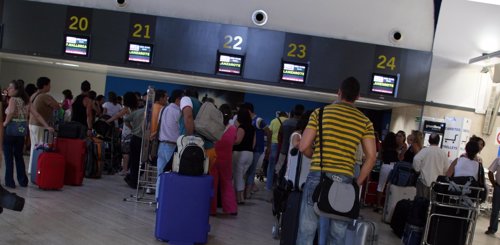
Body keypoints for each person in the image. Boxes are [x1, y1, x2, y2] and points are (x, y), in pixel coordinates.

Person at [297, 77, 376, 245]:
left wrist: (315, 155)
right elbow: (371, 157)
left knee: (307, 230)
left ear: (339, 93)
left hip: (318, 176)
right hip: (345, 181)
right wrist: (358, 182)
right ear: (358, 97)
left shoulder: (319, 113)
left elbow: (303, 146)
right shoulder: (365, 121)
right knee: (338, 235)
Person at [3, 80, 53, 188]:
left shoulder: (13, 99)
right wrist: (46, 126)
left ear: (16, 90)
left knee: (8, 156)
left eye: (10, 88)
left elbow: (11, 112)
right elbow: (37, 115)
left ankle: (10, 181)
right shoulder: (26, 101)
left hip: (11, 129)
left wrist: (5, 123)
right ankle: (23, 181)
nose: (8, 89)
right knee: (19, 156)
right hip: (21, 130)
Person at [28, 77, 60, 175]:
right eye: (49, 84)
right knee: (40, 147)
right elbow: (57, 106)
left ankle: (31, 169)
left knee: (34, 146)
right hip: (40, 125)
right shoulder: (44, 96)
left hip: (32, 123)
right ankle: (37, 168)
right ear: (45, 85)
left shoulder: (34, 95)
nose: (50, 87)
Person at [179, 88, 217, 172]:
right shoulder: (201, 105)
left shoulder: (186, 99)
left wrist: (189, 139)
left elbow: (188, 117)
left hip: (195, 150)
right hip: (208, 149)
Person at [155, 89, 183, 199]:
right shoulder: (178, 112)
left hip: (161, 145)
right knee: (171, 175)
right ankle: (167, 200)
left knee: (160, 174)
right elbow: (181, 129)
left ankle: (158, 199)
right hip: (171, 146)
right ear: (178, 99)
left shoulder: (164, 109)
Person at [211, 104, 238, 215]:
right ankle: (231, 209)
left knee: (212, 184)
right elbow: (235, 141)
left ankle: (211, 209)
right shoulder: (233, 129)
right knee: (227, 183)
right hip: (226, 160)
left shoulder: (213, 127)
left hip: (213, 158)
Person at [244, 102, 272, 198]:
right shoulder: (248, 120)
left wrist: (268, 146)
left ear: (248, 110)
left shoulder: (258, 120)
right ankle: (251, 187)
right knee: (248, 170)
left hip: (257, 149)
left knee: (251, 170)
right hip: (250, 148)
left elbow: (269, 132)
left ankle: (248, 192)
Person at [412, 133, 448, 199]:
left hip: (423, 181)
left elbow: (416, 159)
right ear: (438, 141)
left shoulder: (425, 150)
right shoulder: (443, 153)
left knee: (421, 203)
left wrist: (417, 170)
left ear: (429, 140)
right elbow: (446, 169)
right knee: (432, 204)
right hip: (436, 184)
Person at [232, 107, 255, 204]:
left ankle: (239, 198)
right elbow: (254, 143)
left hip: (240, 153)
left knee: (238, 175)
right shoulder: (252, 128)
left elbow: (238, 141)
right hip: (250, 154)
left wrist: (229, 141)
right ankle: (241, 197)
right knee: (242, 176)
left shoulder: (242, 127)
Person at [122, 92, 145, 189]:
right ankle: (132, 179)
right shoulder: (145, 112)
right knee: (142, 161)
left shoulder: (135, 112)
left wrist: (131, 128)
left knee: (134, 161)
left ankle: (132, 179)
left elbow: (126, 119)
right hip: (142, 139)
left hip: (134, 137)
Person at [275, 104, 304, 175]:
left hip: (283, 149)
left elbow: (279, 136)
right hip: (294, 152)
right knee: (291, 169)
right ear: (303, 112)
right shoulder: (302, 124)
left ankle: (276, 182)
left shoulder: (285, 122)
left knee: (279, 168)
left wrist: (281, 145)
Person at [373, 132, 398, 213]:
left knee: (381, 186)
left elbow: (379, 157)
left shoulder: (383, 145)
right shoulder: (396, 146)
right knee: (390, 187)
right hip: (393, 166)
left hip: (385, 165)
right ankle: (387, 205)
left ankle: (378, 204)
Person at [265, 111, 288, 192]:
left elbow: (269, 132)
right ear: (286, 115)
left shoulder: (274, 121)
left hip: (274, 144)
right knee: (281, 167)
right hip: (283, 146)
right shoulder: (287, 121)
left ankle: (268, 186)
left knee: (271, 166)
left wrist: (268, 146)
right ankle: (278, 186)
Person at [485, 157, 500, 235]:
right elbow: (490, 172)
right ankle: (492, 229)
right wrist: (494, 184)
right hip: (498, 188)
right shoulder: (498, 160)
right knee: (495, 210)